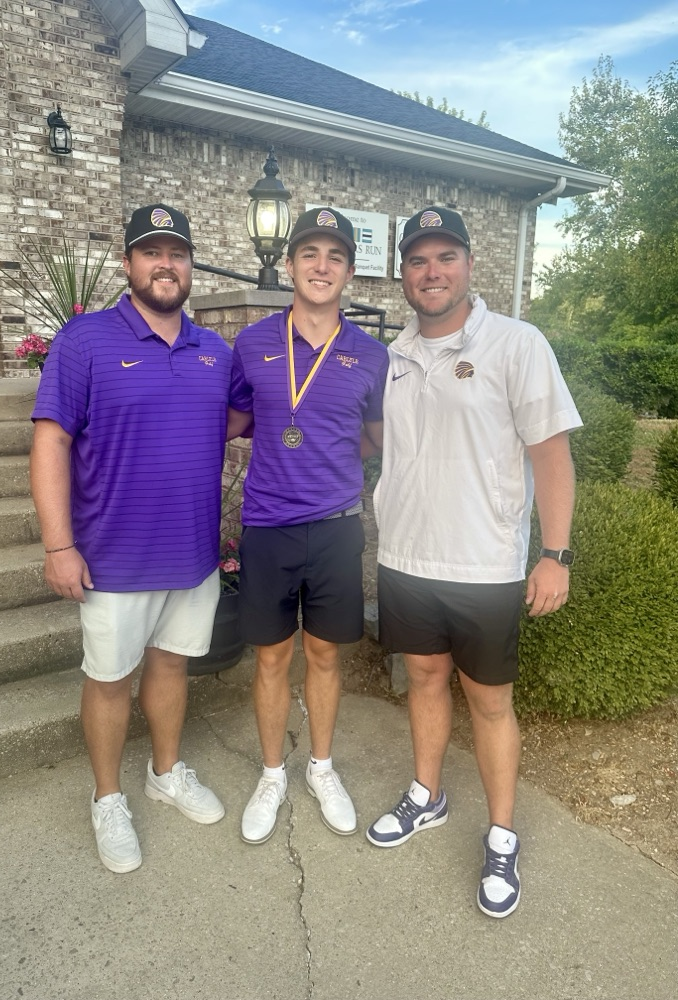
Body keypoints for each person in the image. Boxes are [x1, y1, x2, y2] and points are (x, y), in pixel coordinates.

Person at [366, 206, 581, 918]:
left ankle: (501, 834)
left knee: (489, 703)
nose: (432, 272)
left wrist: (554, 555)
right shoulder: (392, 356)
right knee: (423, 679)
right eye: (418, 260)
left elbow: (551, 453)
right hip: (405, 557)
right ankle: (427, 794)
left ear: (468, 265)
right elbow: (379, 443)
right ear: (403, 274)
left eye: (445, 257)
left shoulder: (517, 344)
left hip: (485, 565)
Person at [30, 204, 232, 874]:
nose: (165, 264)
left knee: (171, 666)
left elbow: (239, 421)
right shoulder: (84, 342)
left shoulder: (215, 353)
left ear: (189, 266)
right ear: (129, 263)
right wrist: (59, 545)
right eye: (151, 252)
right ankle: (108, 797)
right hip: (113, 558)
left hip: (194, 555)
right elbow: (51, 440)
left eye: (176, 253)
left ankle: (164, 773)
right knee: (110, 679)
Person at [227, 207, 389, 845]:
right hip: (267, 525)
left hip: (336, 528)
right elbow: (236, 420)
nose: (322, 267)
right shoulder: (253, 342)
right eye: (310, 254)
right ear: (290, 264)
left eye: (336, 257)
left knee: (324, 654)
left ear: (348, 272)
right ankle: (272, 773)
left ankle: (320, 767)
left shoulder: (370, 354)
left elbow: (373, 439)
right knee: (271, 659)